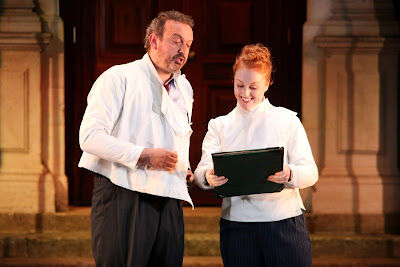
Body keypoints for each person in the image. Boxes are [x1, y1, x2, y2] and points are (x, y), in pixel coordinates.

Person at [78, 10, 195, 266]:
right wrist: (144, 156)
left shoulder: (184, 88)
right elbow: (89, 137)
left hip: (169, 195)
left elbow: (171, 133)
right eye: (176, 40)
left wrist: (183, 167)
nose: (183, 50)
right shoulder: (118, 78)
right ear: (154, 41)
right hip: (123, 193)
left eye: (187, 44)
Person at [194, 43, 318, 267]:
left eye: (253, 86)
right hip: (238, 228)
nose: (245, 93)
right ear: (233, 80)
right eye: (239, 85)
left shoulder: (287, 120)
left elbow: (310, 172)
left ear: (268, 84)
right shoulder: (219, 126)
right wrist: (208, 177)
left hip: (284, 223)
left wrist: (289, 174)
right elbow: (201, 172)